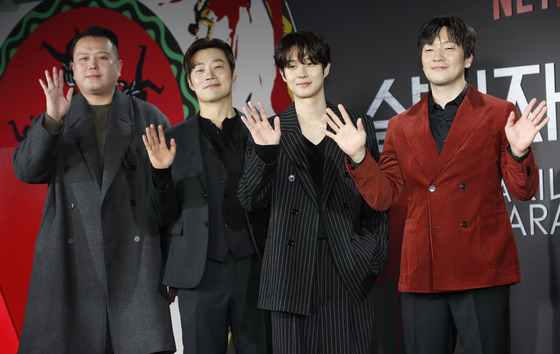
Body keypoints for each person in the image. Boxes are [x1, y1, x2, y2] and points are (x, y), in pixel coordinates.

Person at [324, 16, 550, 354]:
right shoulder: (401, 125)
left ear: (467, 57)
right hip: (423, 272)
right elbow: (383, 196)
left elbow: (522, 191)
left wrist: (519, 152)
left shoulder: (498, 113)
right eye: (429, 49)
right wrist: (358, 156)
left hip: (481, 268)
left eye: (448, 47)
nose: (437, 55)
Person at [12, 26, 175, 353]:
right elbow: (26, 171)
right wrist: (51, 121)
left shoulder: (148, 116)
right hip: (70, 257)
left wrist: (172, 266)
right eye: (83, 58)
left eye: (103, 57)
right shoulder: (58, 115)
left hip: (134, 259)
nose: (93, 65)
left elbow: (169, 198)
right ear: (73, 69)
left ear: (119, 66)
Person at [237, 30, 390, 353]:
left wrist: (371, 255)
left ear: (327, 67)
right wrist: (266, 154)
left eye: (310, 62)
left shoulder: (355, 123)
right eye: (292, 66)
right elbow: (249, 200)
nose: (302, 73)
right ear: (282, 74)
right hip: (289, 274)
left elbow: (377, 201)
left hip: (347, 266)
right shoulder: (270, 130)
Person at [142, 38, 270, 354]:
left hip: (255, 268)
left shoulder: (261, 132)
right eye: (199, 69)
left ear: (234, 73)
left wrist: (269, 152)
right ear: (189, 82)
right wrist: (160, 173)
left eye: (218, 66)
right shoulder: (170, 140)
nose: (209, 74)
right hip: (197, 275)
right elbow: (159, 216)